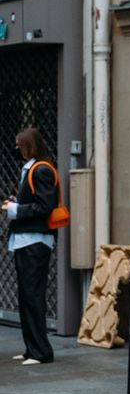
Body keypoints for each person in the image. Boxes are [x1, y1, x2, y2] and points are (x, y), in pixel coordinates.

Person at [1, 128, 57, 365]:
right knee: (26, 296)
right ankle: (31, 348)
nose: (16, 149)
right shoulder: (32, 168)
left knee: (33, 296)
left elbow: (45, 207)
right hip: (26, 240)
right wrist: (16, 202)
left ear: (28, 146)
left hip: (35, 241)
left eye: (18, 145)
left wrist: (14, 210)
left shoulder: (41, 170)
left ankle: (41, 351)